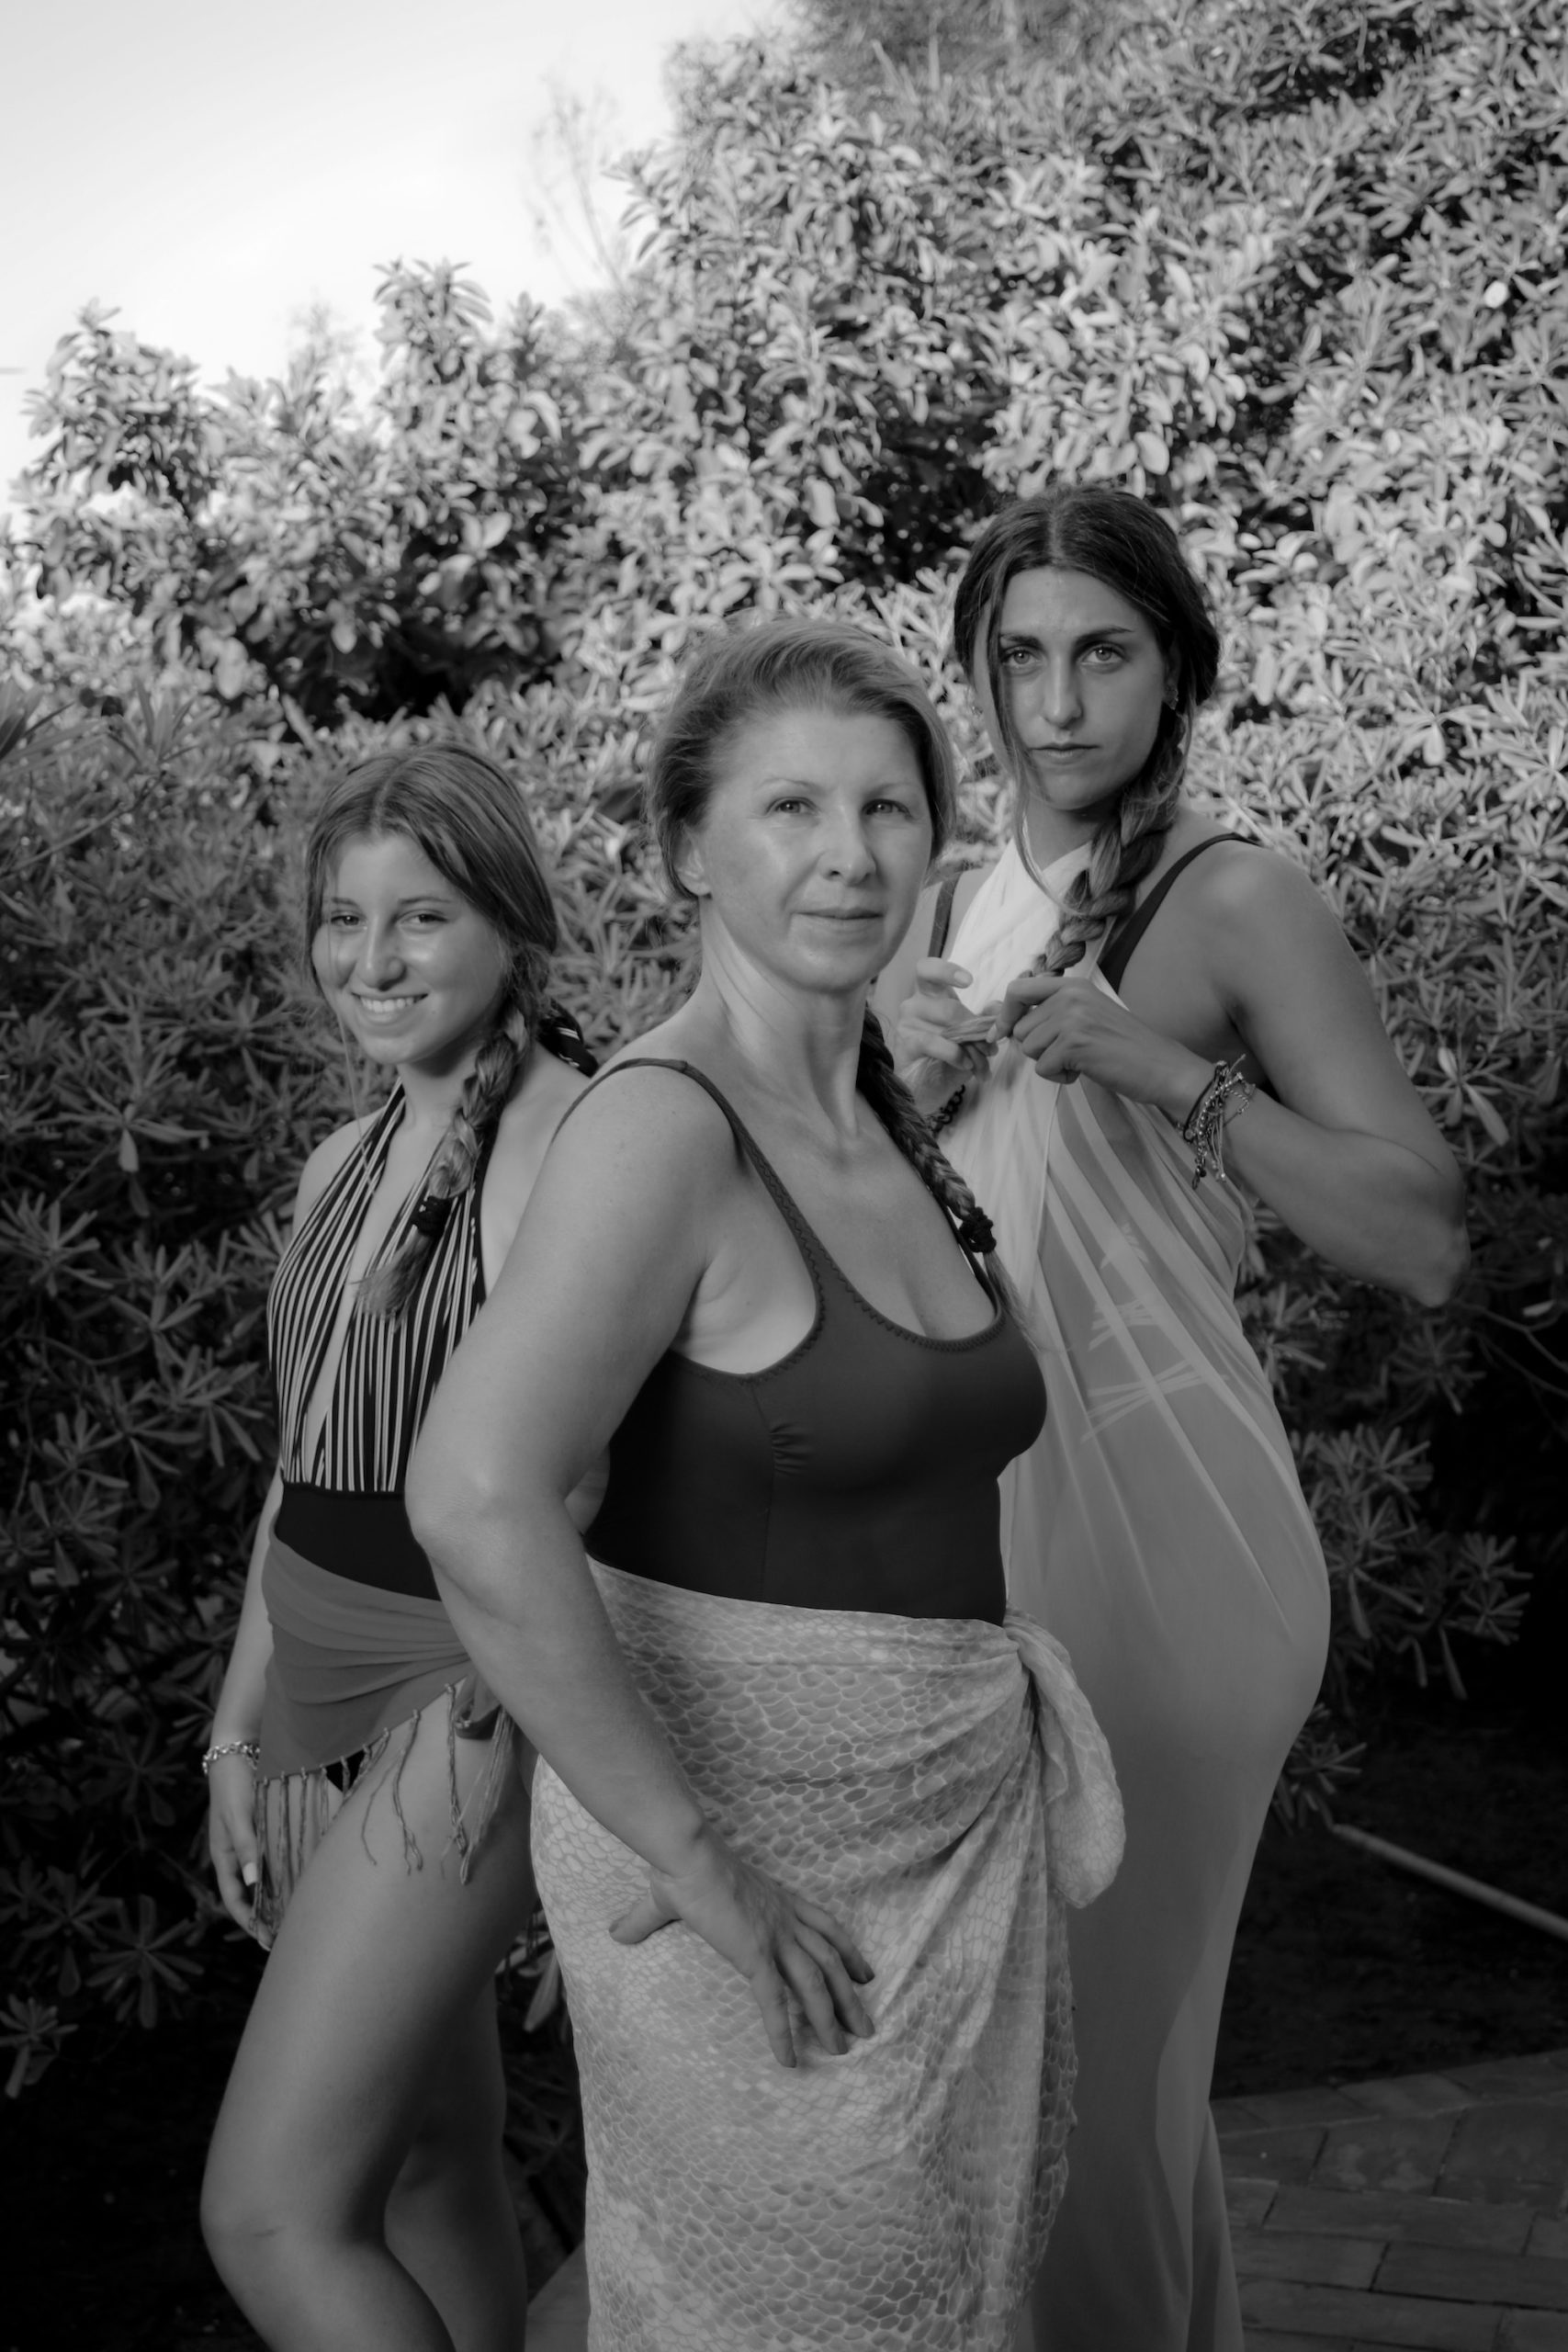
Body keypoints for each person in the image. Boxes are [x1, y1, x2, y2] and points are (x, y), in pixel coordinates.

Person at [407, 619, 1123, 2352]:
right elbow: (476, 1496)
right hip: (751, 1883)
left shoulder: (889, 1116)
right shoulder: (665, 1129)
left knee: (950, 2302)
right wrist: (698, 1860)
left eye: (889, 807)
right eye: (791, 807)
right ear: (688, 849)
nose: (849, 854)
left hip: (944, 1839)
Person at [879, 484, 1469, 2352]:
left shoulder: (1233, 895)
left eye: (1103, 653)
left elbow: (1419, 1237)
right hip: (965, 1553)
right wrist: (882, 1098)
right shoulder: (936, 909)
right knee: (1052, 2091)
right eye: (1018, 657)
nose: (1056, 702)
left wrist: (1165, 1071)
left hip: (1165, 1547)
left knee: (1084, 2092)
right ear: (975, 676)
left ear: (1176, 671)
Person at [199, 743, 599, 2352]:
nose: (371, 961)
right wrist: (238, 1726)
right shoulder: (341, 1161)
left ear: (512, 920)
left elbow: (601, 1489)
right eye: (342, 920)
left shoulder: (577, 1147)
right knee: (428, 2149)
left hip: (458, 1694)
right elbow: (304, 1470)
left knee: (268, 2214)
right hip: (314, 1687)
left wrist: (558, 1759)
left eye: (421, 916)